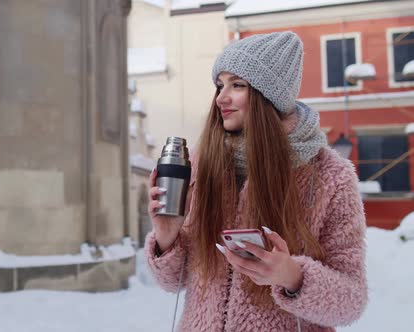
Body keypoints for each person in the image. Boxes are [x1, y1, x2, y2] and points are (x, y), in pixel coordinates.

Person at [145, 31, 367, 331]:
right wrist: (167, 237)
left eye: (238, 85)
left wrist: (292, 276)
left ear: (268, 95)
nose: (222, 97)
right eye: (220, 85)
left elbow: (351, 302)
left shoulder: (330, 176)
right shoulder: (201, 163)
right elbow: (173, 282)